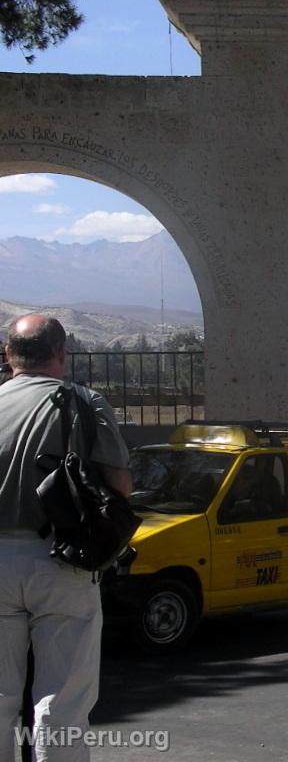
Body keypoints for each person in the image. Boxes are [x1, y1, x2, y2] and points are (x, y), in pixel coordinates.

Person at [0, 315, 131, 762]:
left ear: (7, 355)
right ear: (61, 354)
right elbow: (119, 485)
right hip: (63, 561)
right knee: (63, 703)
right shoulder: (82, 402)